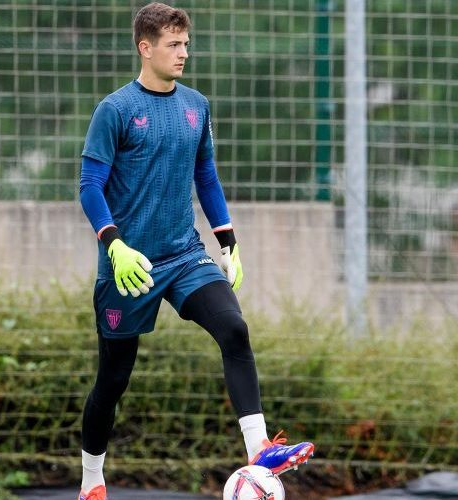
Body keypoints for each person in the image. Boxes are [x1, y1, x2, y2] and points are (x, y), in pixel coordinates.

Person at [76, 3, 314, 499]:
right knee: (113, 381)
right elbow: (90, 185)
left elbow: (205, 175)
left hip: (185, 255)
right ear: (145, 48)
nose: (183, 52)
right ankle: (92, 481)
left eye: (186, 43)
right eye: (173, 44)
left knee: (234, 329)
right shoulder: (115, 110)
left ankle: (259, 448)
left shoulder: (196, 105)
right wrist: (114, 244)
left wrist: (228, 241)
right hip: (131, 266)